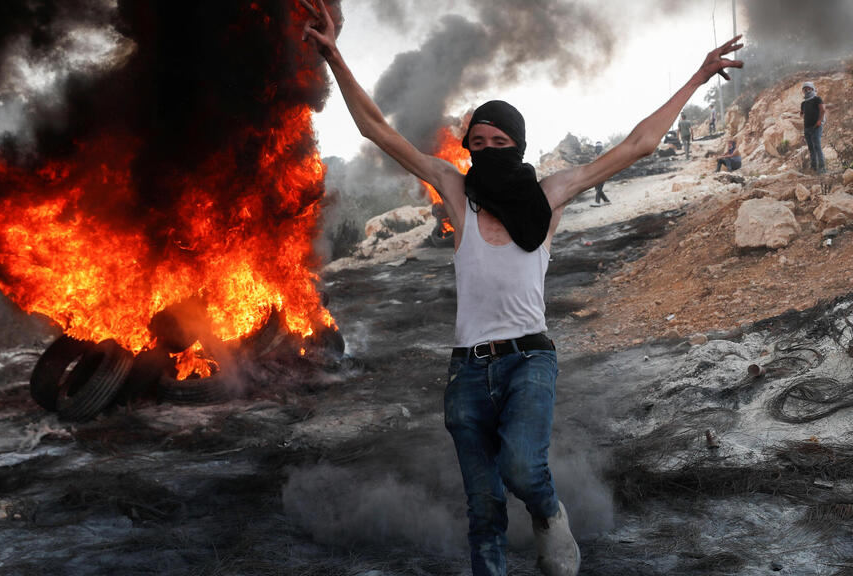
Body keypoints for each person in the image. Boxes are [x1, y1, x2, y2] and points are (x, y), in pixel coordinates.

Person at [300, 2, 742, 574]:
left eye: (496, 142)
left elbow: (638, 145)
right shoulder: (457, 195)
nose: (483, 152)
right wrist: (335, 55)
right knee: (482, 510)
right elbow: (375, 128)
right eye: (474, 144)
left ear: (518, 145)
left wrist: (699, 76)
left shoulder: (549, 196)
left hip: (529, 359)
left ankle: (550, 516)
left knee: (522, 470)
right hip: (466, 372)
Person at [800, 81, 827, 173]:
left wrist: (819, 121)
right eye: (805, 89)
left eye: (808, 88)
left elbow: (823, 110)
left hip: (816, 126)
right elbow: (802, 113)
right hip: (807, 128)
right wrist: (802, 113)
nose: (807, 90)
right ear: (803, 91)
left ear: (812, 89)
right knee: (811, 148)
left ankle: (822, 168)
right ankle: (814, 168)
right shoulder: (803, 103)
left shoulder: (817, 99)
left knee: (817, 147)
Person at [591, 141, 610, 206]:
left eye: (599, 147)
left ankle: (597, 202)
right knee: (597, 189)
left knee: (599, 188)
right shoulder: (595, 155)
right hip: (596, 174)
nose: (598, 148)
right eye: (597, 147)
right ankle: (607, 201)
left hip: (603, 172)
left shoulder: (604, 153)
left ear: (601, 147)